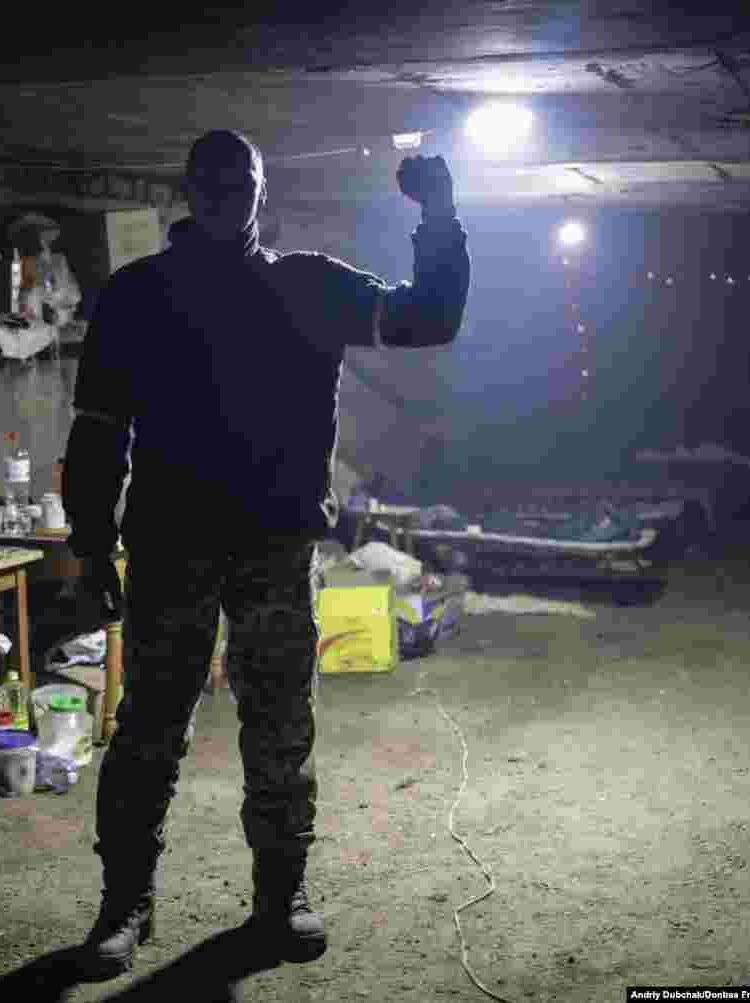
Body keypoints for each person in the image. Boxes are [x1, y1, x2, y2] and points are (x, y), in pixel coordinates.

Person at [62, 128, 471, 981]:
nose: (223, 193)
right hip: (171, 547)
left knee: (280, 730)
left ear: (259, 189)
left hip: (274, 546)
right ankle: (123, 903)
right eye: (208, 180)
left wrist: (440, 215)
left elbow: (428, 317)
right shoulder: (138, 296)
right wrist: (91, 538)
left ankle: (280, 895)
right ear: (189, 188)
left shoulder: (308, 286)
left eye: (238, 179)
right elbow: (98, 430)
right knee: (148, 731)